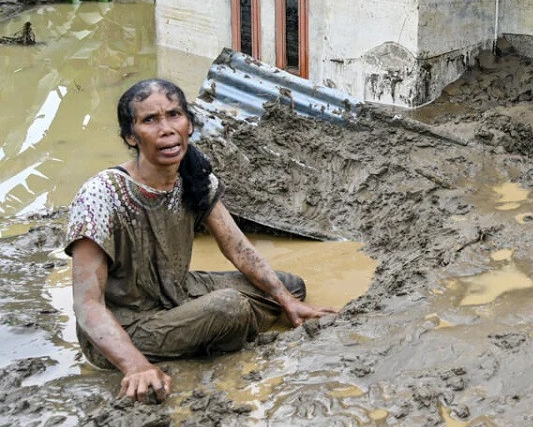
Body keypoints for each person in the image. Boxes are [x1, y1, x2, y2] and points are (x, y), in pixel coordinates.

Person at [67, 79, 337, 404]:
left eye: (174, 115)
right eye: (150, 120)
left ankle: (197, 332)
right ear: (130, 135)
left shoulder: (194, 176)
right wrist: (135, 366)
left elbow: (237, 247)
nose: (166, 129)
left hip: (177, 293)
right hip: (128, 322)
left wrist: (286, 301)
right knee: (229, 307)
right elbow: (87, 304)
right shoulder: (101, 195)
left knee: (290, 287)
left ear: (189, 124)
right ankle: (189, 341)